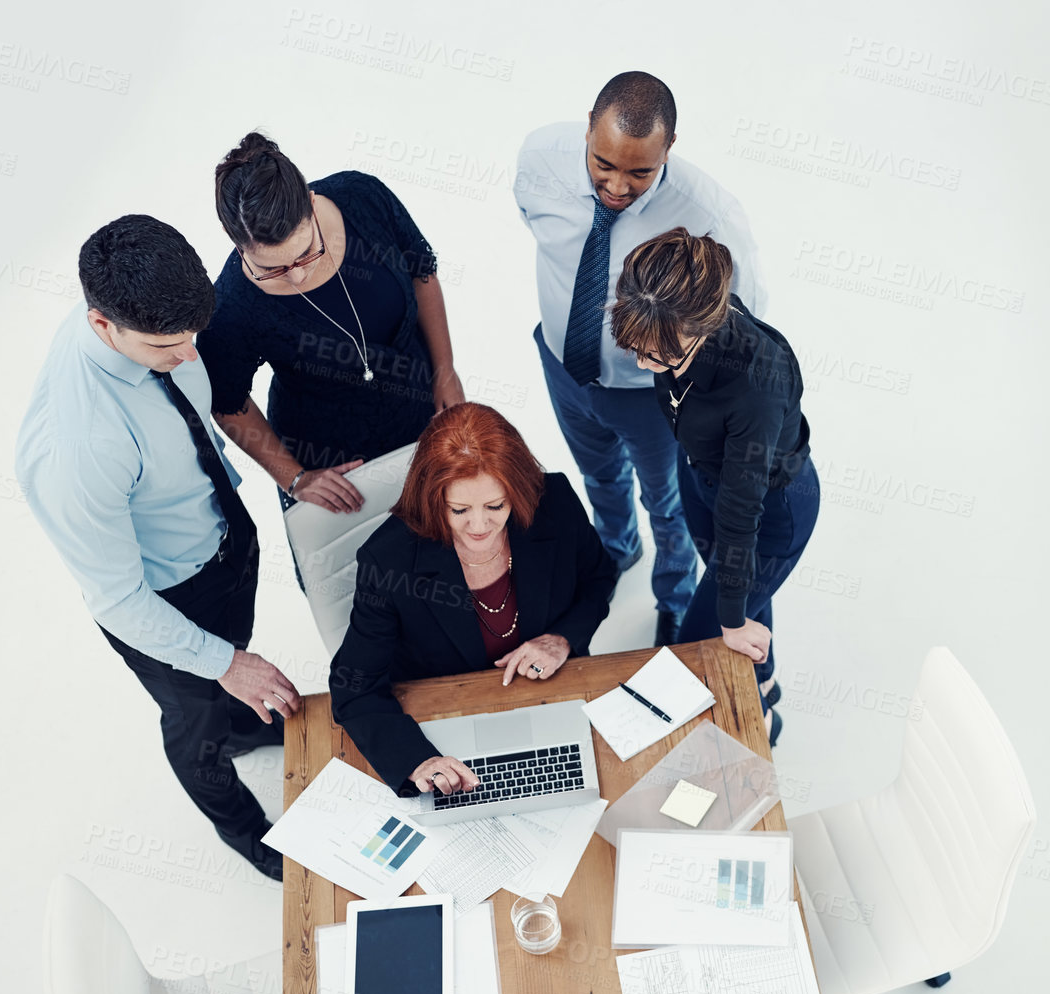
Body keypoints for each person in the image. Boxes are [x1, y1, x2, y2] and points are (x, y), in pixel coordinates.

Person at [16, 215, 302, 880]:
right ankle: (252, 839)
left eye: (191, 338)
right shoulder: (76, 452)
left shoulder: (147, 309)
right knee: (194, 725)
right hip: (168, 600)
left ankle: (241, 724)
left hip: (222, 540)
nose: (188, 356)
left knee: (226, 692)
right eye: (166, 347)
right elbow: (117, 598)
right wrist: (222, 662)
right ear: (100, 326)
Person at [514, 71, 765, 647]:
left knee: (668, 503)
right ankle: (616, 550)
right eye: (604, 163)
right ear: (587, 130)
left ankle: (674, 597)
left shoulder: (708, 218)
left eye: (639, 172)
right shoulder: (540, 158)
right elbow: (535, 223)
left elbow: (744, 314)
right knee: (598, 473)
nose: (617, 186)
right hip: (562, 365)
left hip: (652, 396)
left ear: (668, 152)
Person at [331, 403, 618, 797]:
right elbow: (355, 688)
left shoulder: (555, 503)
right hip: (447, 720)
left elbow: (598, 577)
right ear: (433, 498)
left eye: (496, 506)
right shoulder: (388, 560)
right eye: (460, 509)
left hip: (549, 694)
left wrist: (563, 638)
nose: (479, 527)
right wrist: (417, 760)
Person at [612, 228, 819, 746]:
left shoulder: (756, 386)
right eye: (637, 348)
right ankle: (764, 684)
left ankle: (758, 733)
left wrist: (727, 619)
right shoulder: (683, 316)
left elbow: (741, 512)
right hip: (701, 476)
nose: (643, 365)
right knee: (747, 596)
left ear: (703, 324)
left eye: (657, 355)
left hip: (769, 514)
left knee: (699, 641)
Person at [199, 132, 465, 519]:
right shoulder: (231, 306)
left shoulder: (362, 197)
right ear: (233, 239)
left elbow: (421, 272)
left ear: (309, 201)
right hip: (331, 464)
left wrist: (444, 370)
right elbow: (226, 403)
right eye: (272, 268)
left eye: (306, 253)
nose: (296, 277)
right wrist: (294, 478)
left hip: (424, 413)